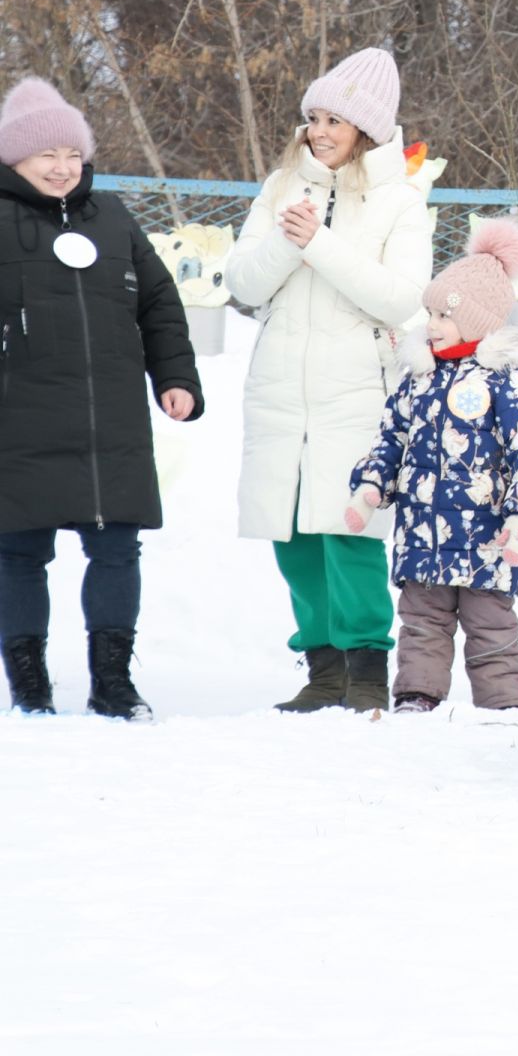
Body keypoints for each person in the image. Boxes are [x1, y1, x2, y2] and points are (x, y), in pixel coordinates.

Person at [226, 47, 434, 713]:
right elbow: (242, 284)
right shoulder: (282, 187)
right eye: (313, 117)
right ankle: (321, 670)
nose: (319, 131)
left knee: (350, 531)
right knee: (293, 534)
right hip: (282, 386)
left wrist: (318, 243)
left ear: (367, 129)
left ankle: (366, 669)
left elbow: (399, 297)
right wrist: (289, 240)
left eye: (335, 120)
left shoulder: (400, 200)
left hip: (356, 389)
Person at [0, 79, 203, 718]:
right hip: (20, 416)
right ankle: (29, 683)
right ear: (14, 160)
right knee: (18, 550)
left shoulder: (112, 216)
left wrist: (175, 379)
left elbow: (159, 304)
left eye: (72, 153)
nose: (62, 168)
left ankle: (112, 680)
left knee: (117, 548)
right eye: (44, 156)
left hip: (109, 417)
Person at [343, 219, 518, 712]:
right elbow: (391, 437)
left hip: (486, 536)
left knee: (492, 624)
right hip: (422, 532)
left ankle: (503, 705)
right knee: (421, 621)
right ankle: (417, 695)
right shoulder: (418, 377)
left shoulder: (505, 380)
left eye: (444, 315)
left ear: (479, 322)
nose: (431, 324)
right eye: (431, 313)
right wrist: (371, 485)